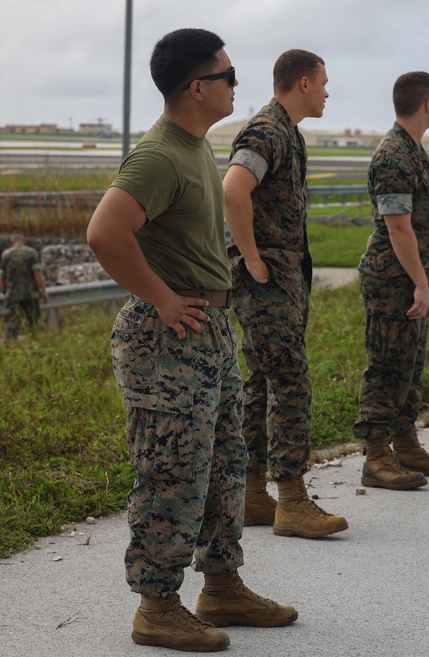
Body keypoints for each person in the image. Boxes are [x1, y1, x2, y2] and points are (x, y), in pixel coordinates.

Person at [87, 28, 296, 652]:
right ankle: (157, 605)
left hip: (207, 335)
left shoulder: (196, 147)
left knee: (224, 465)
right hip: (166, 340)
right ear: (197, 86)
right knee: (173, 473)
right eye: (230, 76)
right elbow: (105, 233)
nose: (238, 85)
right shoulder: (159, 155)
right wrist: (160, 297)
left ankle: (222, 585)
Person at [223, 50, 346, 537]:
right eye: (323, 82)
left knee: (262, 383)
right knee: (290, 381)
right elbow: (233, 190)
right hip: (267, 280)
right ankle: (292, 500)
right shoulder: (268, 130)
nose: (327, 90)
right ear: (302, 82)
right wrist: (251, 258)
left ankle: (253, 495)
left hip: (279, 279)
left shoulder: (286, 132)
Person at [352, 71, 429, 490]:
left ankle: (406, 443)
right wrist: (419, 281)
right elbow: (399, 228)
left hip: (413, 278)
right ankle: (376, 457)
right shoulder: (394, 155)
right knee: (387, 367)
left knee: (410, 367)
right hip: (392, 281)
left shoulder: (413, 148)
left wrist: (426, 280)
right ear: (428, 105)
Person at [1, 232, 47, 339]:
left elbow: (2, 277)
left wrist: (4, 292)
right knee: (34, 325)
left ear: (12, 241)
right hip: (31, 295)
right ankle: (37, 347)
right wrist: (43, 291)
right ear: (23, 241)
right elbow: (37, 273)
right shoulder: (31, 253)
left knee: (12, 326)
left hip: (13, 296)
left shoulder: (6, 254)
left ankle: (10, 349)